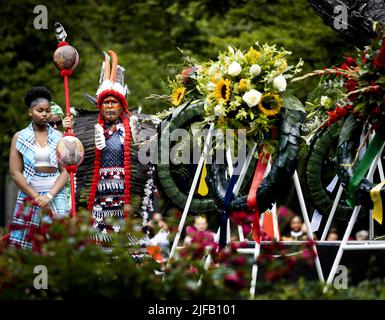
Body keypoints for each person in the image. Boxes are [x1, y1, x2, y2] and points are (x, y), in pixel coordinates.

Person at [9, 87, 69, 249]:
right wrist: (36, 197)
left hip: (55, 193)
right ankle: (30, 273)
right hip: (30, 193)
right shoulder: (20, 137)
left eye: (47, 111)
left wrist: (50, 195)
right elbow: (15, 173)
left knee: (60, 239)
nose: (44, 114)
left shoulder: (59, 137)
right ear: (30, 112)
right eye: (40, 110)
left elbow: (65, 171)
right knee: (25, 241)